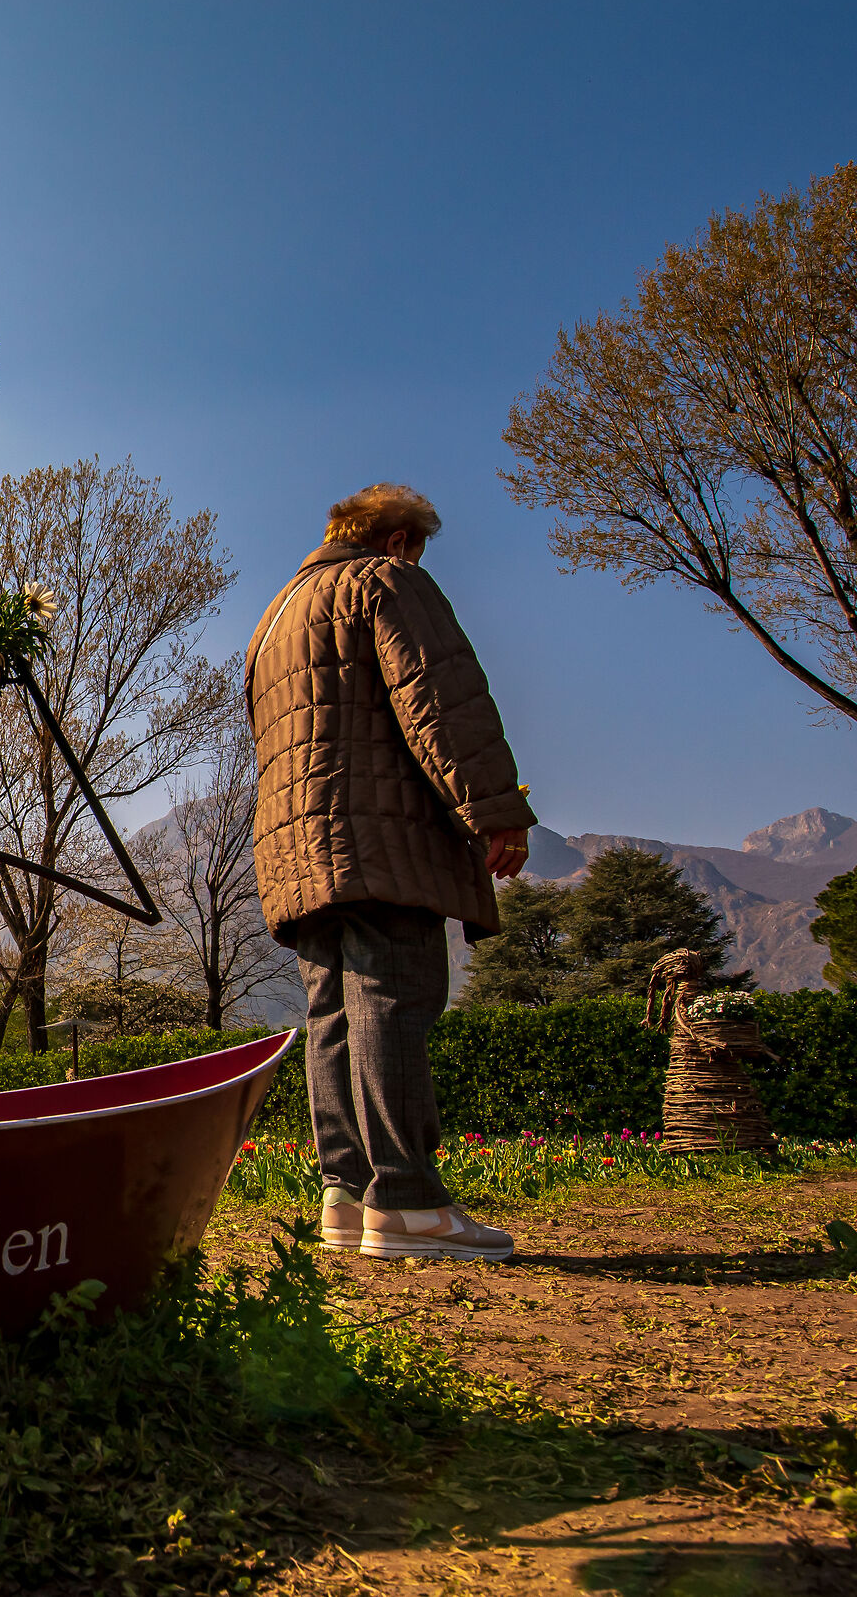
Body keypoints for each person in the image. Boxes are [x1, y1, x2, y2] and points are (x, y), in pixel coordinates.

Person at [246, 483, 533, 1263]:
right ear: (400, 540)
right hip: (380, 836)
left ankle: (345, 1196)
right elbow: (439, 700)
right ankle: (406, 1199)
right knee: (393, 997)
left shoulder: (273, 620)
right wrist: (494, 809)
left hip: (294, 845)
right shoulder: (384, 582)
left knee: (333, 1012)